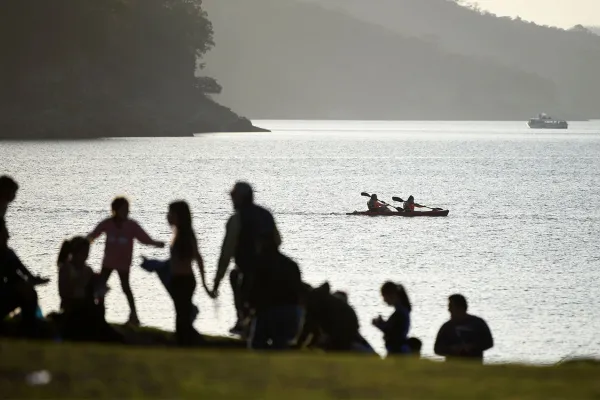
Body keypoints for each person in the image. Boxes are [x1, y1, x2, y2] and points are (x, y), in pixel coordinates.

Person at [211, 182, 282, 333]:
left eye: (233, 196)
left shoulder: (237, 219)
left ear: (240, 198)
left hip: (249, 271)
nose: (231, 199)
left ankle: (242, 320)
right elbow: (278, 240)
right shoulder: (266, 214)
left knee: (235, 276)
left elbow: (226, 253)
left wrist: (217, 280)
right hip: (272, 268)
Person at [88, 197, 165, 326]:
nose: (127, 211)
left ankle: (134, 316)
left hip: (123, 263)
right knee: (100, 287)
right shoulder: (108, 223)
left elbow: (143, 238)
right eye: (124, 209)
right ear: (115, 210)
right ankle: (98, 314)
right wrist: (82, 242)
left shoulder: (131, 225)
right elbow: (94, 234)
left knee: (126, 288)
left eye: (127, 209)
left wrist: (156, 243)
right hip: (108, 262)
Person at [57, 236, 123, 343]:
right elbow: (64, 293)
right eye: (83, 253)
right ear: (75, 252)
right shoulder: (66, 268)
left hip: (87, 307)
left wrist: (99, 287)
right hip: (72, 308)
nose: (86, 256)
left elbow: (95, 293)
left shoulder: (88, 270)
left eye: (87, 253)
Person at [167, 200, 209, 346]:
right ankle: (185, 342)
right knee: (181, 315)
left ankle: (192, 342)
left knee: (182, 317)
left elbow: (198, 258)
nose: (168, 217)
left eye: (171, 214)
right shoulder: (177, 234)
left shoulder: (185, 235)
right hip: (177, 279)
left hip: (184, 281)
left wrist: (205, 283)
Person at [246, 250, 304, 350]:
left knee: (256, 343)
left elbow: (252, 297)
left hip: (271, 313)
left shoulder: (260, 265)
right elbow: (300, 295)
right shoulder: (291, 265)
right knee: (281, 343)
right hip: (292, 314)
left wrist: (248, 315)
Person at [0, 219, 46, 337]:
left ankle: (28, 330)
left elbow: (21, 274)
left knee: (29, 292)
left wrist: (32, 280)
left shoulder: (7, 254)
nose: (8, 236)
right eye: (4, 233)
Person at [434, 294, 494, 363]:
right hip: (452, 368)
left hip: (474, 366)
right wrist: (452, 349)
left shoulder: (478, 323)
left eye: (451, 306)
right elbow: (437, 349)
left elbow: (489, 342)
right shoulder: (447, 327)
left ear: (460, 308)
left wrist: (472, 346)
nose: (449, 309)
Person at [372, 281, 412, 355]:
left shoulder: (400, 313)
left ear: (392, 295)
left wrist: (379, 324)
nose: (384, 300)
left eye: (384, 297)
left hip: (398, 352)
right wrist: (382, 324)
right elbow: (392, 328)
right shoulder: (402, 310)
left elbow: (391, 332)